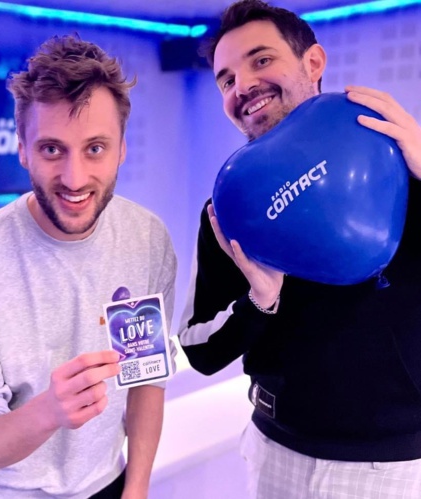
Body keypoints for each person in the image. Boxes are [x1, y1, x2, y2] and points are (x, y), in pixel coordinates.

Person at [177, 1, 421, 498]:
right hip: (276, 451)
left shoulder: (399, 159)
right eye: (226, 80)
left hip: (394, 465)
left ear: (313, 63)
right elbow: (200, 350)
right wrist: (259, 301)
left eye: (261, 60)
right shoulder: (230, 209)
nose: (243, 86)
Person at [0, 34, 177, 499]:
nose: (74, 178)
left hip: (108, 482)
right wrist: (48, 412)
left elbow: (147, 378)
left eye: (95, 148)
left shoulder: (147, 240)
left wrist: (138, 486)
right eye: (51, 150)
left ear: (122, 148)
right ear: (22, 149)